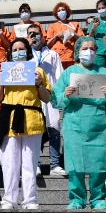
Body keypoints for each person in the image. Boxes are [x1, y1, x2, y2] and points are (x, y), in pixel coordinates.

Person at [51, 37, 106, 209]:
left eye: (92, 48)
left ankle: (98, 198)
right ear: (77, 51)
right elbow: (55, 100)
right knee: (75, 164)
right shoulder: (69, 73)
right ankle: (76, 198)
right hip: (74, 124)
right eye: (84, 48)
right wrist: (65, 95)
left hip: (98, 125)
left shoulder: (103, 72)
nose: (88, 52)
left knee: (98, 164)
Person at [0, 38, 52, 210]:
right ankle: (9, 199)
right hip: (9, 118)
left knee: (29, 163)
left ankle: (30, 199)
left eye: (22, 48)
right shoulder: (5, 70)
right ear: (11, 52)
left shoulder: (38, 71)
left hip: (31, 118)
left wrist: (39, 83)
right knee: (9, 162)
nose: (18, 52)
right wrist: (0, 82)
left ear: (27, 50)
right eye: (15, 49)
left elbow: (47, 98)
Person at [28, 23, 65, 177]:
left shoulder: (52, 54)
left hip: (50, 96)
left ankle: (54, 164)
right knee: (35, 131)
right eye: (30, 34)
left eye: (36, 33)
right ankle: (35, 163)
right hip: (31, 98)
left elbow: (59, 76)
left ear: (43, 36)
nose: (34, 36)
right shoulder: (24, 55)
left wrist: (58, 97)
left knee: (54, 129)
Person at [45, 2, 82, 68]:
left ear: (67, 11)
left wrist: (73, 33)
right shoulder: (52, 26)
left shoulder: (75, 24)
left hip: (71, 57)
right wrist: (56, 36)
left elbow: (82, 39)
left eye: (63, 10)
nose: (61, 12)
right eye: (59, 11)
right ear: (56, 14)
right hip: (58, 57)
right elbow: (48, 44)